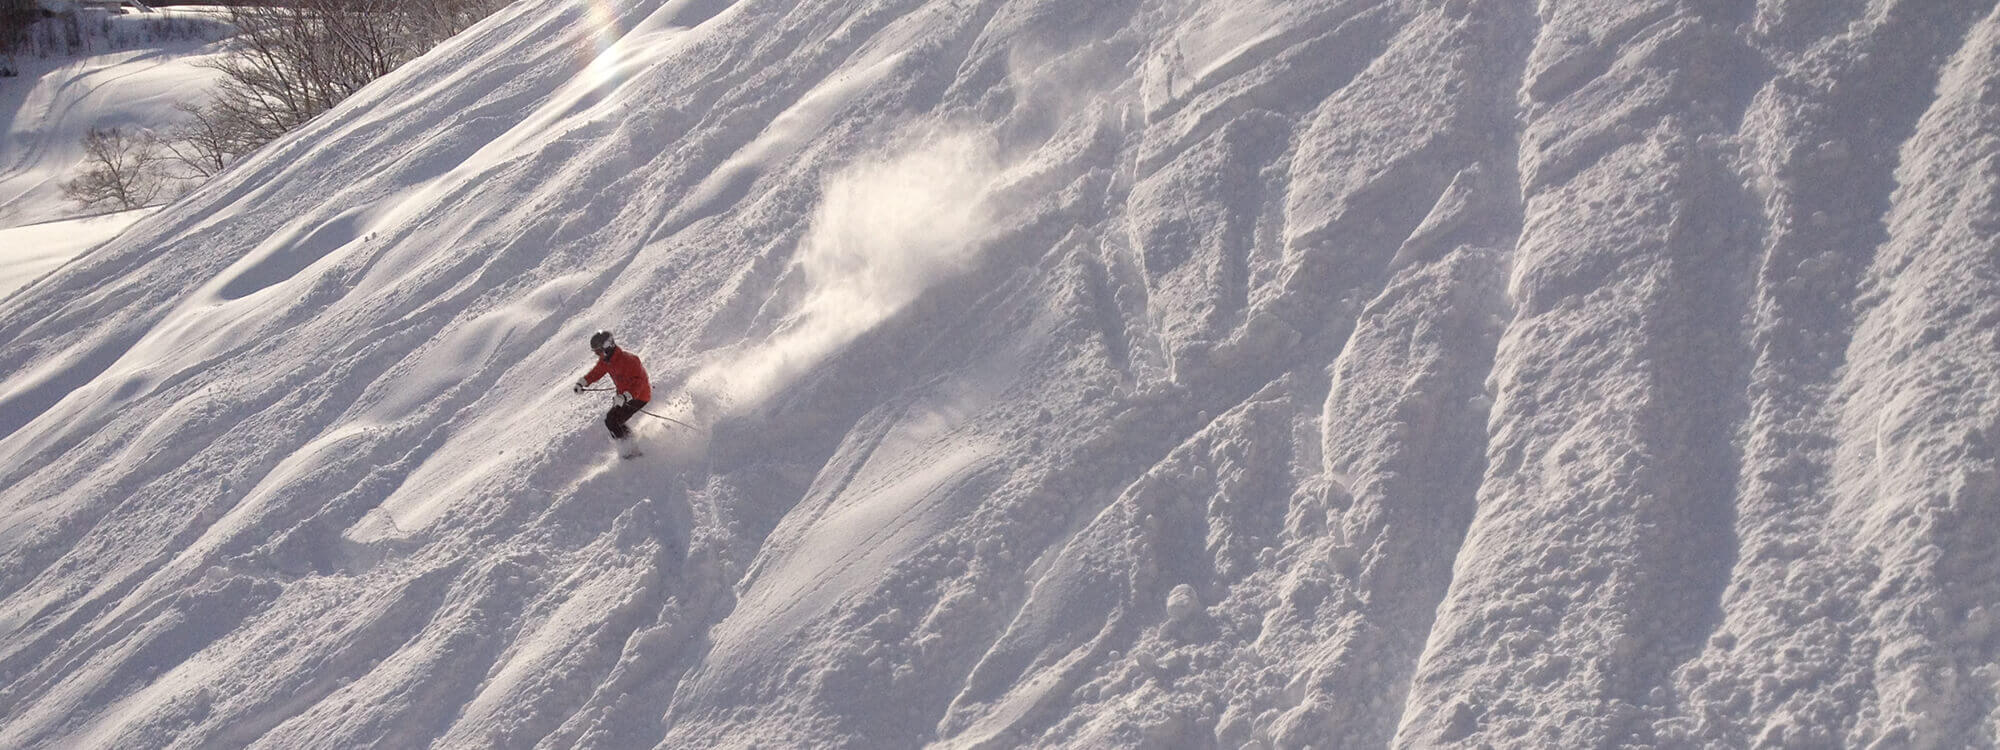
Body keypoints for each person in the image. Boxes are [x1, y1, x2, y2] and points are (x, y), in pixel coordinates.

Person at [573, 330, 651, 452]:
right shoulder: (606, 361)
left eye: (598, 351)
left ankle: (631, 450)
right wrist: (583, 382)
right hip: (623, 397)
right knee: (612, 421)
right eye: (596, 352)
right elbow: (596, 372)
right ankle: (630, 445)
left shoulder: (630, 360)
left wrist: (626, 396)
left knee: (612, 420)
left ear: (607, 347)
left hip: (639, 396)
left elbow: (639, 383)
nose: (598, 355)